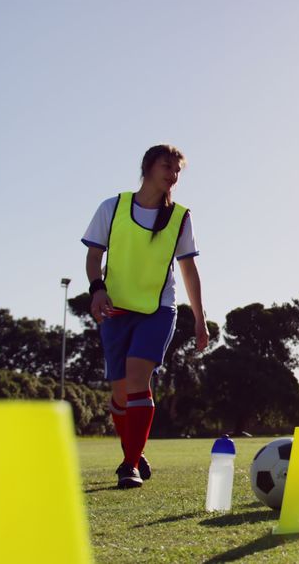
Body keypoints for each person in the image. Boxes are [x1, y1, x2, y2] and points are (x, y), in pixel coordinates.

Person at [81, 144, 209, 488]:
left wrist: (199, 318)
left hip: (158, 309)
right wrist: (97, 288)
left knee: (138, 381)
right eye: (167, 167)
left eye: (177, 170)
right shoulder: (113, 207)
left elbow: (189, 270)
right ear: (148, 167)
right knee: (120, 393)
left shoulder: (181, 217)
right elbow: (94, 257)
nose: (173, 175)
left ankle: (129, 466)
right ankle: (135, 452)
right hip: (115, 309)